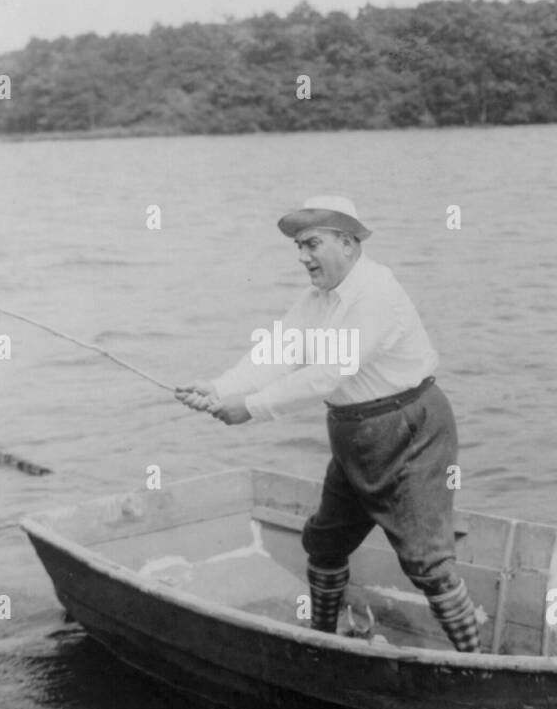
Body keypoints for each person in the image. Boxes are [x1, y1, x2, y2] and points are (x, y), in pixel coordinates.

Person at [175, 195, 486, 652]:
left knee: (426, 561)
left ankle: (474, 662)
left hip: (411, 431)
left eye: (311, 244)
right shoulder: (315, 300)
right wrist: (219, 389)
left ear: (347, 242)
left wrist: (252, 408)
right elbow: (276, 353)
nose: (302, 256)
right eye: (298, 246)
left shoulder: (377, 292)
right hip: (354, 436)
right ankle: (323, 640)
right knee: (322, 542)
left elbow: (328, 372)